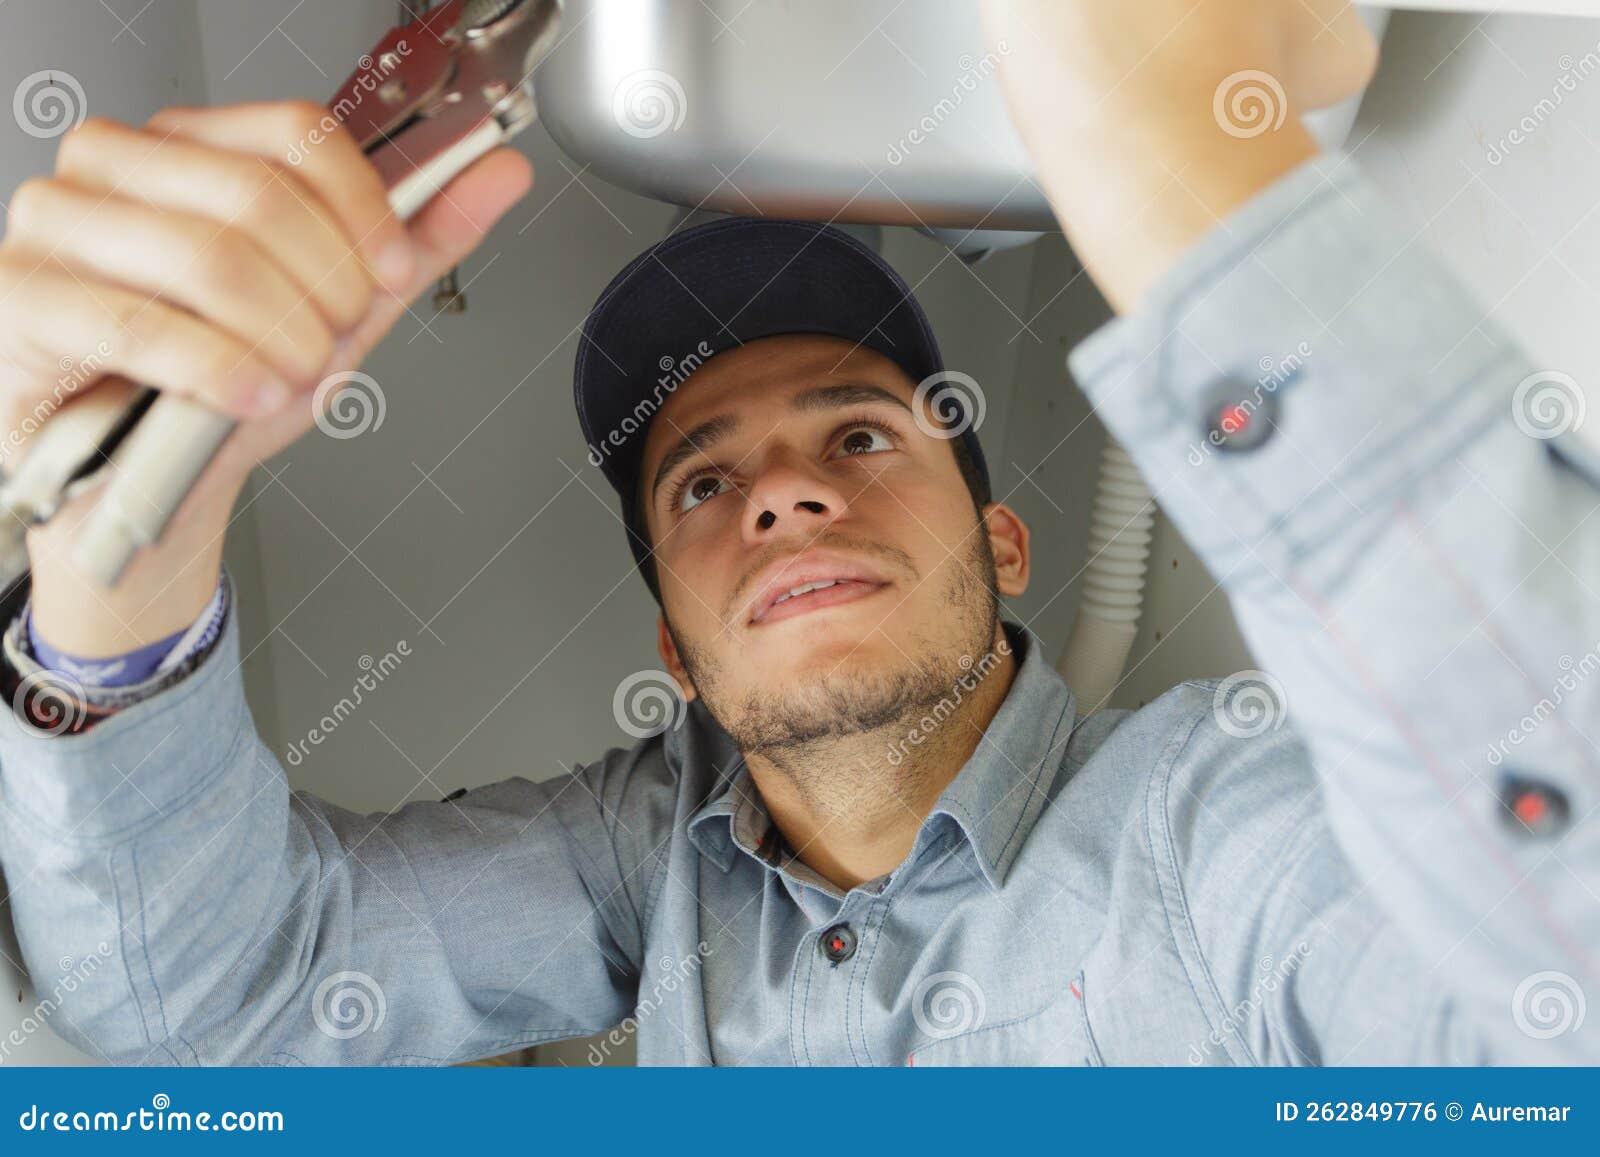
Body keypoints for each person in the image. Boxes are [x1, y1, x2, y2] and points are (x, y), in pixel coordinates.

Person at [0, 0, 1593, 1065]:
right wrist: (116, 543)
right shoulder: (649, 863)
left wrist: (1175, 150)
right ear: (672, 651)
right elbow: (210, 992)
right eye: (701, 483)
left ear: (1009, 542)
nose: (781, 493)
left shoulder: (1205, 836)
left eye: (860, 433)